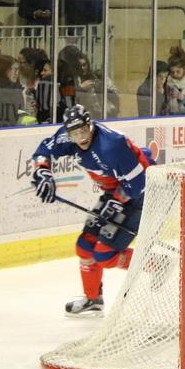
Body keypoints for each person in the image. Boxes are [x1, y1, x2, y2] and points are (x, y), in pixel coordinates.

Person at [30, 104, 153, 315]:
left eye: (83, 131)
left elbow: (139, 184)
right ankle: (93, 299)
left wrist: (114, 205)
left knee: (105, 255)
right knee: (85, 247)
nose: (80, 137)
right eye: (75, 134)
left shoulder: (112, 145)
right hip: (114, 193)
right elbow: (44, 150)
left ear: (90, 125)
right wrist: (42, 172)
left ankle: (158, 265)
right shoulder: (68, 136)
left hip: (139, 196)